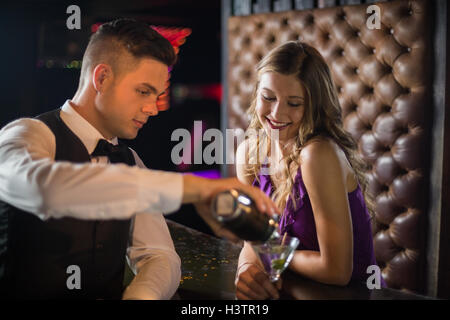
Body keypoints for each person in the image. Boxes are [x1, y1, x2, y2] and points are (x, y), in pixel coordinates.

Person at [0, 18, 279, 300]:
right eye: (143, 91)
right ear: (102, 78)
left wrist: (140, 296)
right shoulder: (25, 135)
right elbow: (48, 191)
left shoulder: (129, 159)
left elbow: (161, 256)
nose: (153, 108)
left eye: (157, 95)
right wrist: (200, 189)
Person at [234, 41, 385, 300]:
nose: (277, 113)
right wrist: (246, 270)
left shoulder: (318, 155)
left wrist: (277, 255)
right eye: (268, 97)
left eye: (294, 103)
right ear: (257, 93)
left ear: (313, 106)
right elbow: (255, 241)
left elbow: (337, 271)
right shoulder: (249, 154)